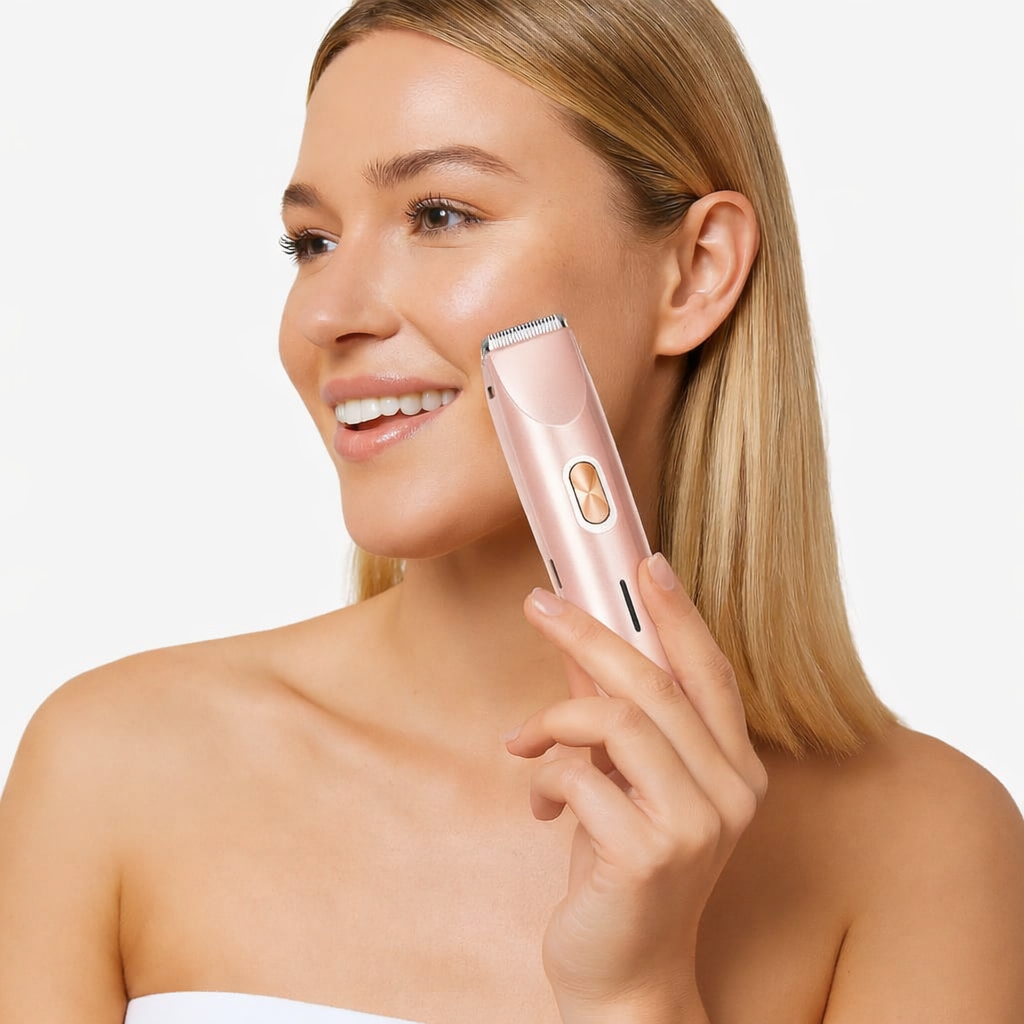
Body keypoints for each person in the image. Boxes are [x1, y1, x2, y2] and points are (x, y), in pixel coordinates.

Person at [1, 1, 1022, 1022]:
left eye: (440, 215)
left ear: (697, 271)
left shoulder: (921, 850)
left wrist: (634, 992)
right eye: (310, 241)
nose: (326, 313)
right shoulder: (112, 770)